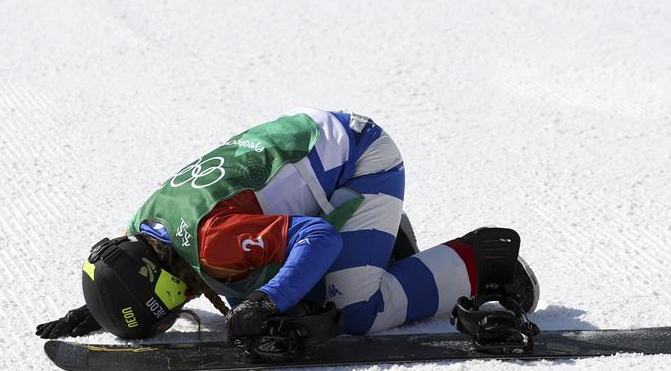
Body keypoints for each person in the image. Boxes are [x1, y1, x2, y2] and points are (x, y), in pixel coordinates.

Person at [36, 107, 538, 343]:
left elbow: (317, 238)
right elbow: (137, 264)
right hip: (322, 143)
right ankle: (381, 245)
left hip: (364, 158)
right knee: (254, 287)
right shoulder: (145, 223)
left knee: (355, 312)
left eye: (165, 313)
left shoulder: (211, 243)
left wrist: (267, 301)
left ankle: (481, 263)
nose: (176, 312)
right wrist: (105, 305)